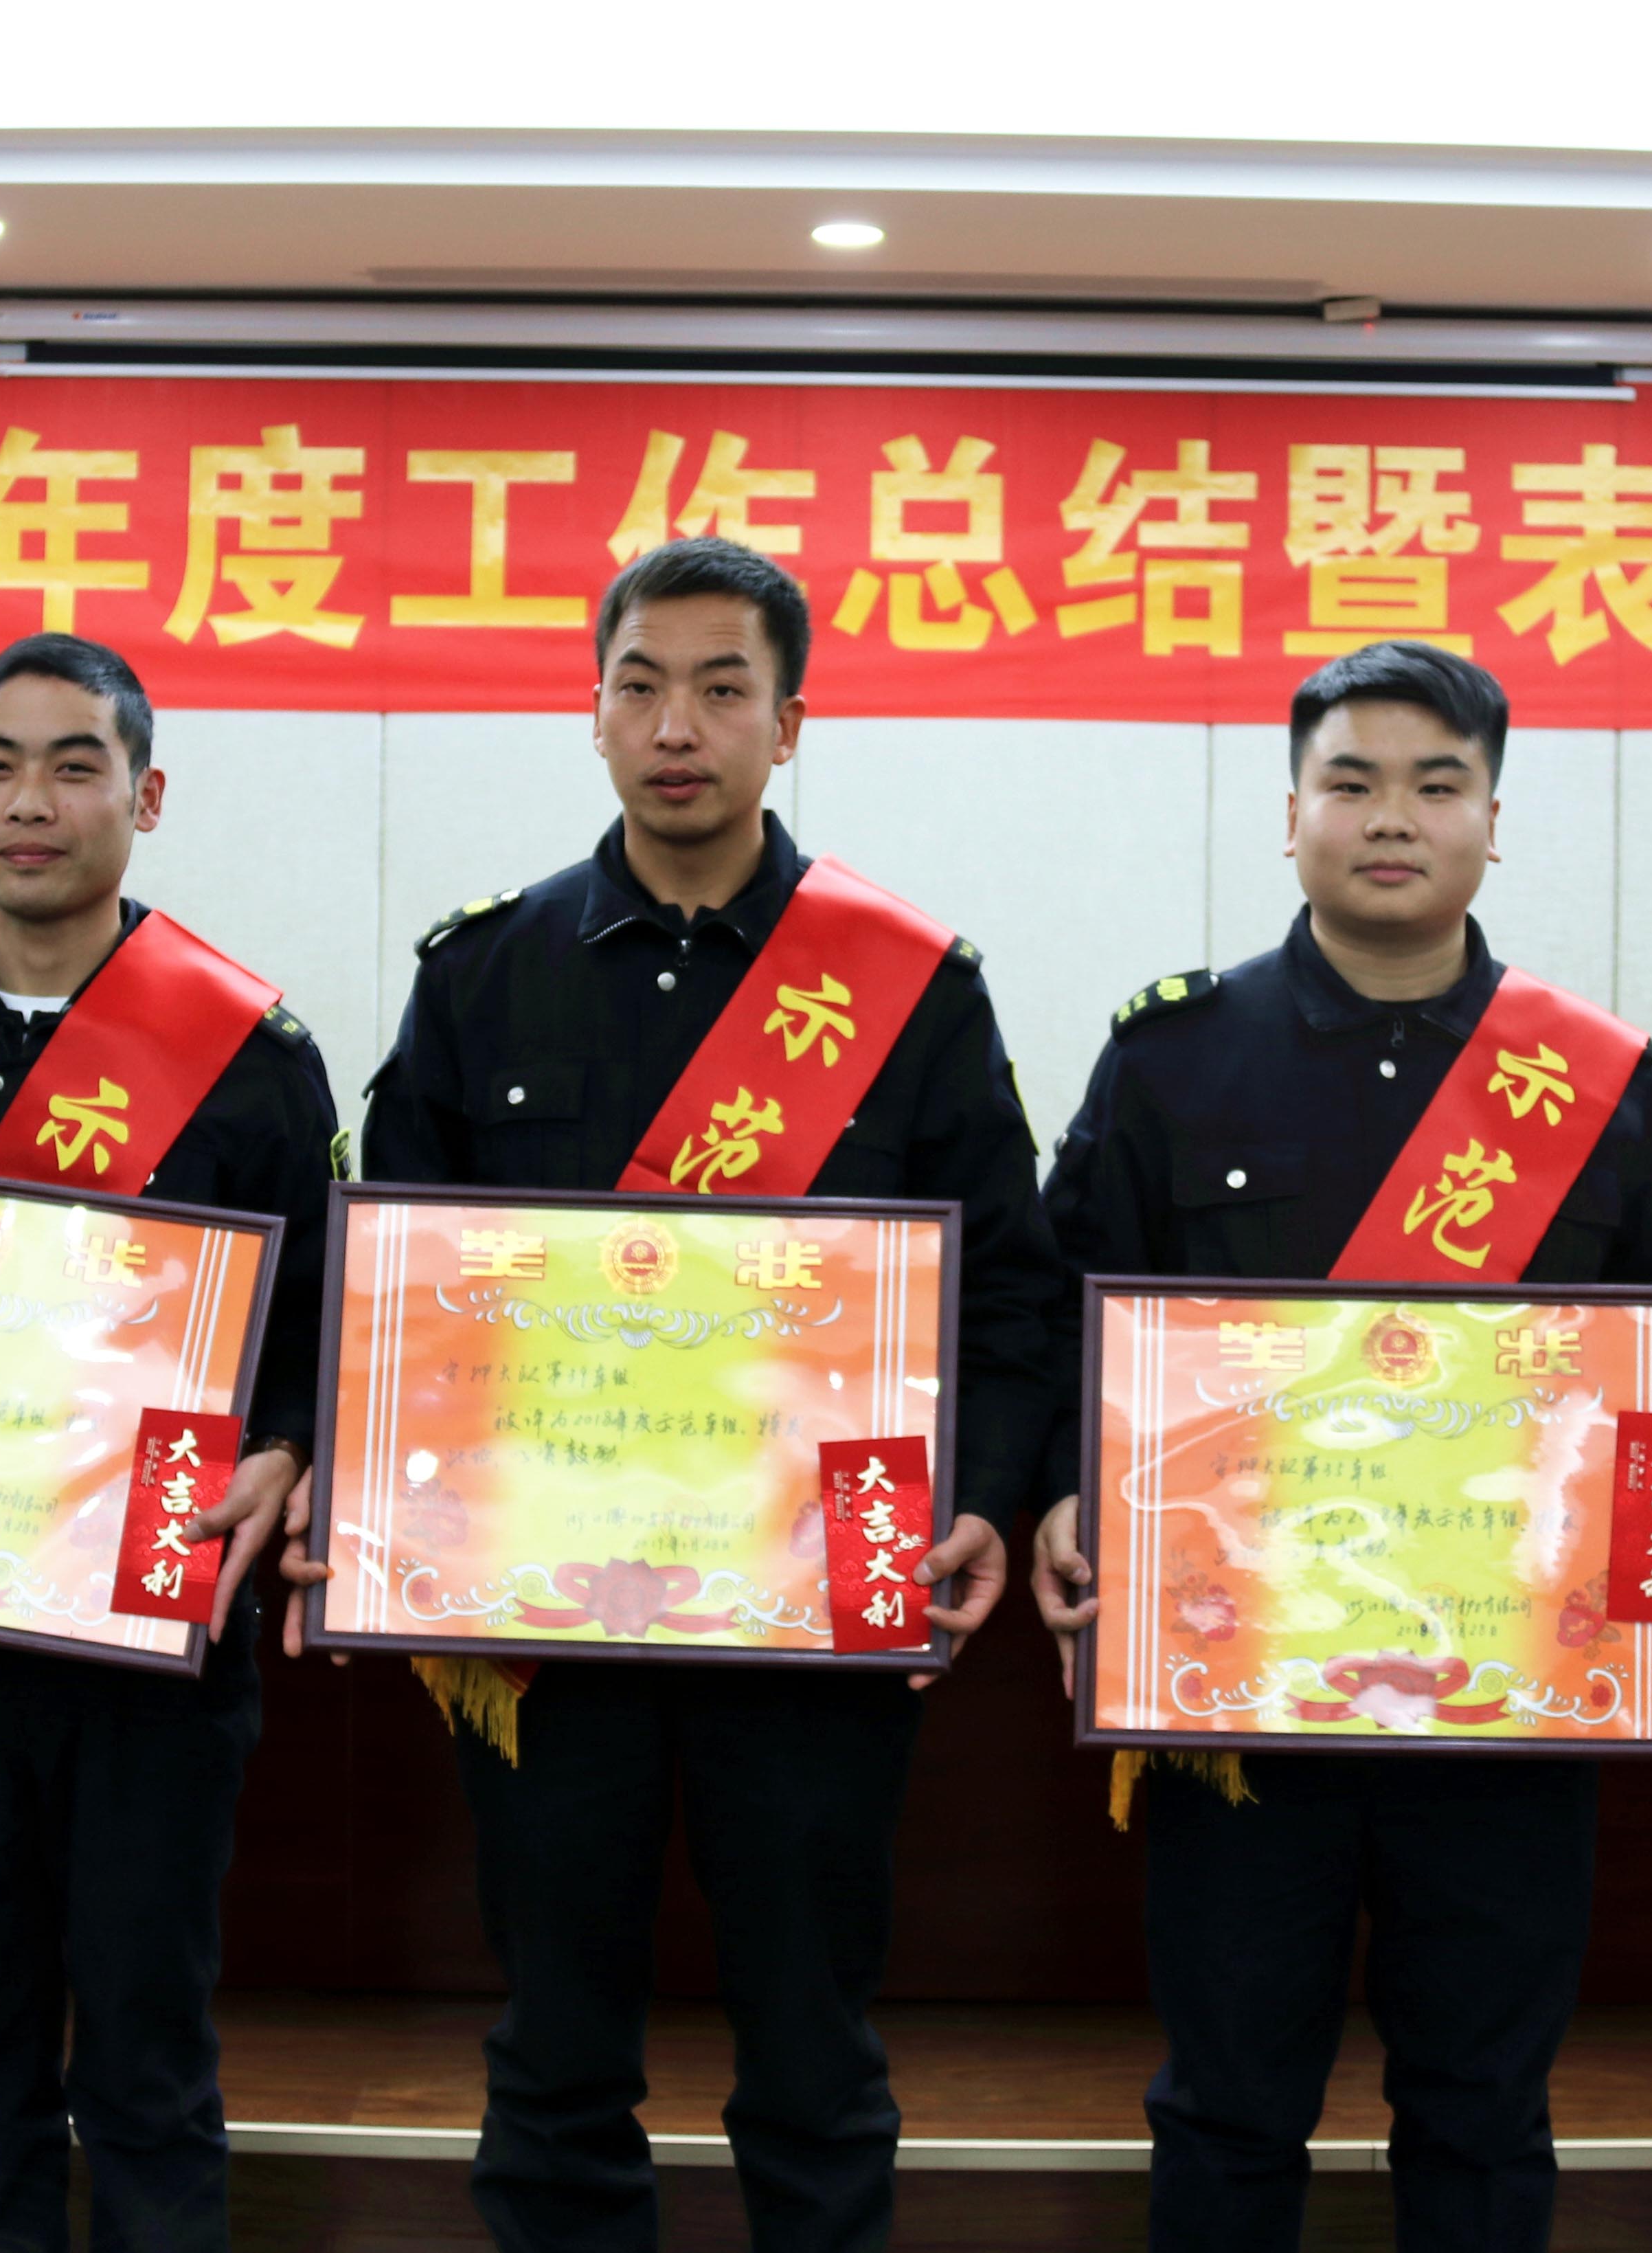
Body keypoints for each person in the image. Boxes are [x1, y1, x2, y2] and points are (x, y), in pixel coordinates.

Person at [307, 535, 1071, 2253]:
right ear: (591, 712)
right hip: (538, 1612)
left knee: (811, 2039)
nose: (677, 726)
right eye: (640, 685)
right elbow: (390, 1289)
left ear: (787, 723)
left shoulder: (907, 987)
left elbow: (1012, 1292)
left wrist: (977, 1496)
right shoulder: (481, 973)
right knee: (553, 2042)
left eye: (724, 689)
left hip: (814, 1606)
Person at [1029, 640, 1652, 2253]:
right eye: (1350, 781)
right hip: (1235, 1695)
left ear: (1490, 820)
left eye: (1436, 784)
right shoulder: (1172, 1055)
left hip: (1507, 1701)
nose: (1390, 816)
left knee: (1482, 2104)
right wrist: (1065, 1492)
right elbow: (1057, 1319)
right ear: (1288, 810)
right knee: (1227, 2102)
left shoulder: (1588, 1072)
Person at [0, 631, 337, 2252]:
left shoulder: (250, 1055)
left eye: (75, 765)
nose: (32, 800)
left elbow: (324, 1335)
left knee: (150, 2064)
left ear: (144, 798)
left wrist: (289, 1446)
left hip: (152, 1651)